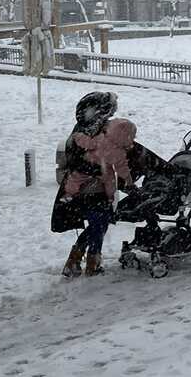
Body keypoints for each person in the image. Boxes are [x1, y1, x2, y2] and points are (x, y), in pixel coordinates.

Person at [53, 92, 136, 276]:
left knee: (97, 224)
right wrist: (125, 183)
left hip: (82, 188)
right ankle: (92, 263)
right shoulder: (98, 132)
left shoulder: (84, 130)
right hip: (94, 190)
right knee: (99, 224)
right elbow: (114, 162)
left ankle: (75, 260)